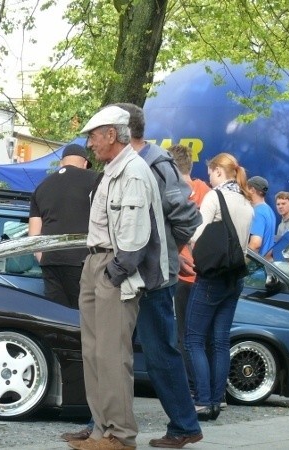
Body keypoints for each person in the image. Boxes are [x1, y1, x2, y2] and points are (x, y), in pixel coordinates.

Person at [72, 105, 168, 450]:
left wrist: (115, 272)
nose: (90, 144)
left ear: (111, 134)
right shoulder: (118, 168)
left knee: (112, 355)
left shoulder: (134, 171)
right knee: (96, 354)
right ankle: (102, 430)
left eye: (93, 136)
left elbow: (134, 233)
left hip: (113, 267)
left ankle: (120, 436)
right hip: (100, 264)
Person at [115, 104, 204, 449]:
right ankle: (100, 423)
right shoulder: (126, 163)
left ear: (120, 129)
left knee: (160, 353)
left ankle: (184, 426)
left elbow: (187, 217)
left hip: (151, 278)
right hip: (131, 273)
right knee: (114, 350)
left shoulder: (156, 164)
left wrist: (168, 251)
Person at [185, 153, 254, 422]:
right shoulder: (247, 202)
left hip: (212, 276)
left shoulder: (215, 197)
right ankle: (217, 399)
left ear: (217, 171)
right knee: (220, 340)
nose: (209, 177)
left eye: (210, 172)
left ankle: (203, 400)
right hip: (235, 277)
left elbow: (197, 234)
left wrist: (191, 245)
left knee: (193, 339)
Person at [29, 143, 98, 308]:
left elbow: (33, 235)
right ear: (85, 163)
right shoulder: (96, 180)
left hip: (51, 262)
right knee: (84, 317)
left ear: (61, 163)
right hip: (82, 261)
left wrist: (43, 258)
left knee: (57, 317)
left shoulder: (41, 187)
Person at [168, 143, 210, 393]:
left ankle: (192, 388)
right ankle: (210, 390)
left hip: (181, 272)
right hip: (205, 273)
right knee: (205, 337)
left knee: (184, 336)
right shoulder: (206, 191)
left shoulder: (172, 192)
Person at [246, 175, 276, 256]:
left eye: (246, 189)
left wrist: (242, 263)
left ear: (252, 190)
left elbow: (255, 244)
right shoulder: (269, 210)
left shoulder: (257, 212)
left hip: (255, 267)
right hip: (265, 265)